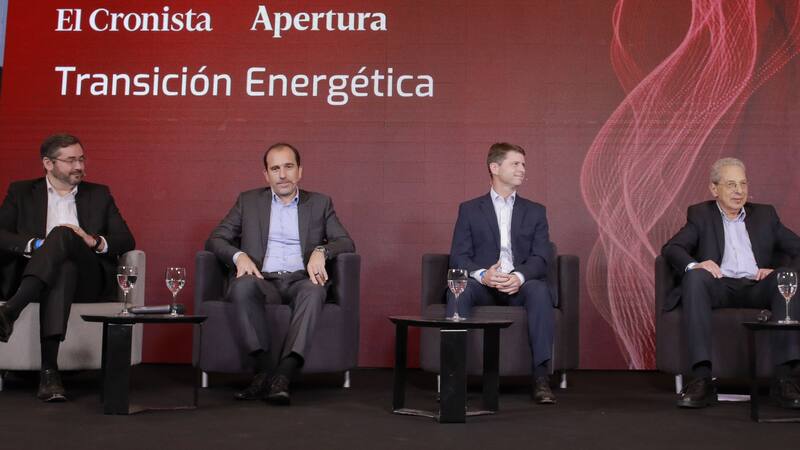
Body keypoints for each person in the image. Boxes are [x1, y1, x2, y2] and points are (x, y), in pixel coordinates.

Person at [206, 142, 354, 406]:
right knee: (241, 287)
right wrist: (239, 256)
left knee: (315, 289)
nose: (282, 175)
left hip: (301, 279)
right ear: (266, 175)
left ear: (300, 172)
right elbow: (216, 238)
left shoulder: (320, 203)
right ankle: (264, 371)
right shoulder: (248, 201)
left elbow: (345, 242)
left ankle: (283, 375)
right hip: (263, 280)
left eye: (288, 167)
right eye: (275, 169)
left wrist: (322, 250)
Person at [0, 133, 135, 402]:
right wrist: (36, 245)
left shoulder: (99, 194)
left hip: (89, 280)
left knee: (63, 234)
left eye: (81, 159)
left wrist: (92, 240)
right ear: (48, 164)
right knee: (63, 270)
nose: (79, 166)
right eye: (70, 160)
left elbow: (126, 239)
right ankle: (49, 373)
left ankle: (11, 310)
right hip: (37, 277)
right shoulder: (22, 191)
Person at [662, 157, 800, 408]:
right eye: (731, 184)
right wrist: (697, 264)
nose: (739, 191)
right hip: (719, 286)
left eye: (743, 184)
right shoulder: (700, 214)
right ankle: (702, 379)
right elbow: (672, 248)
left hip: (757, 287)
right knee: (694, 278)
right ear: (714, 189)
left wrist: (782, 270)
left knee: (785, 279)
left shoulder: (766, 215)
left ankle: (785, 381)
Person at [449, 142, 557, 404]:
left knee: (540, 290)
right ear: (494, 168)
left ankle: (541, 378)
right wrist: (483, 274)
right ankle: (455, 378)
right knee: (458, 285)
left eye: (524, 164)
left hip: (519, 285)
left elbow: (542, 257)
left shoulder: (536, 211)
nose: (522, 169)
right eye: (516, 164)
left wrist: (518, 277)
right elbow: (459, 256)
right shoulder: (470, 209)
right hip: (483, 284)